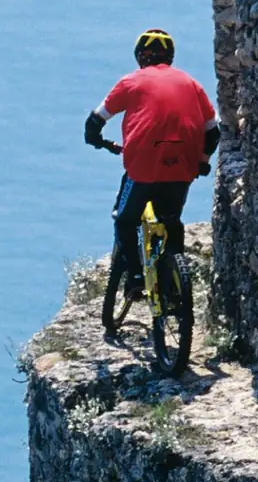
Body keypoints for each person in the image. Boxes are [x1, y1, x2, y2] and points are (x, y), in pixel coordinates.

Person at [84, 28, 219, 297]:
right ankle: (174, 286)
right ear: (170, 57)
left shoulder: (130, 82)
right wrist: (203, 162)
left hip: (143, 167)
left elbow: (95, 121)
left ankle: (134, 277)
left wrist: (97, 141)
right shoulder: (192, 83)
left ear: (139, 57)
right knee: (171, 220)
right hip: (183, 165)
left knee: (125, 221)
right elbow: (213, 131)